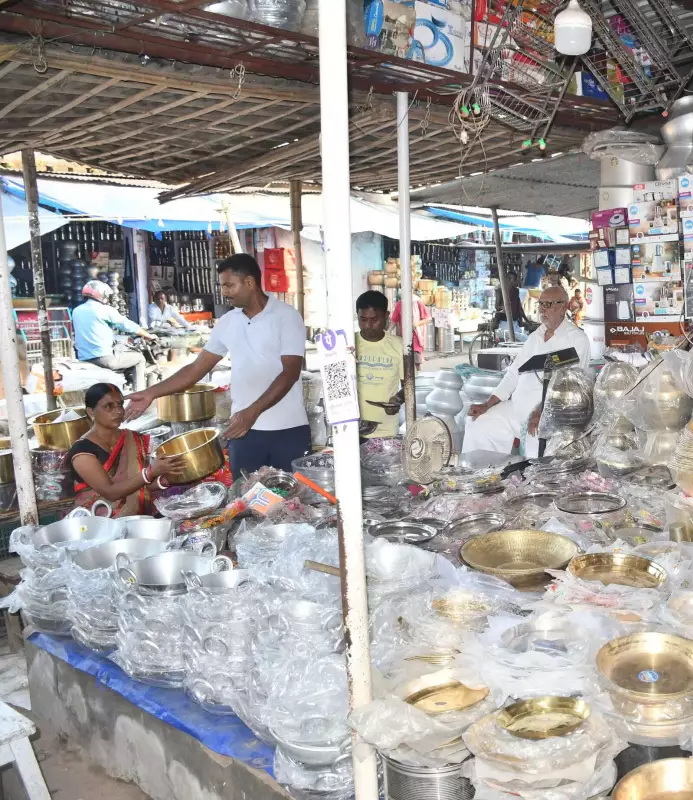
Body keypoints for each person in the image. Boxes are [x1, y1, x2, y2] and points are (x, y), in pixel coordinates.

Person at [125, 254, 310, 477]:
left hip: (287, 429)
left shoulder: (286, 316)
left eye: (229, 285)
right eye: (222, 286)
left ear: (249, 282)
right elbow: (196, 369)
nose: (224, 292)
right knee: (245, 501)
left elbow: (289, 373)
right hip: (244, 431)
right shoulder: (228, 322)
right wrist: (151, 393)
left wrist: (252, 411)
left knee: (292, 502)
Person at [463, 286, 590, 458]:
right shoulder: (535, 336)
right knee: (479, 423)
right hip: (517, 408)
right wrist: (487, 404)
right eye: (541, 304)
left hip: (550, 414)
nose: (543, 309)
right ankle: (483, 477)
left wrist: (540, 412)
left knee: (536, 439)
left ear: (563, 306)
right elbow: (512, 375)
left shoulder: (577, 339)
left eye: (548, 304)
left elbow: (570, 386)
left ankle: (529, 483)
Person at [67, 383, 186, 517]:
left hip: (137, 519)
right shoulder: (82, 452)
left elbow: (137, 488)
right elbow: (111, 493)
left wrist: (162, 482)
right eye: (109, 406)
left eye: (120, 405)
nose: (118, 411)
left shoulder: (133, 438)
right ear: (91, 411)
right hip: (98, 524)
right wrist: (150, 472)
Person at [73, 281, 157, 393]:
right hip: (103, 359)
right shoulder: (105, 310)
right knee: (139, 359)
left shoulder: (76, 311)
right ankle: (138, 393)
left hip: (83, 358)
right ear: (101, 294)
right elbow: (126, 325)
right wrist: (148, 335)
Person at [355, 291, 404, 439]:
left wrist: (398, 400)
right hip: (352, 428)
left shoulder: (399, 346)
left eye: (374, 319)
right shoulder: (349, 344)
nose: (368, 325)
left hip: (386, 430)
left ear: (386, 316)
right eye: (363, 319)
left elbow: (409, 384)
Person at [389, 293, 431, 370]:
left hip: (416, 337)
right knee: (406, 363)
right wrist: (389, 331)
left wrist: (415, 324)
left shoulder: (417, 302)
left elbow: (428, 318)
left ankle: (419, 377)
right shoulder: (399, 304)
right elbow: (394, 321)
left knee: (417, 362)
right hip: (405, 337)